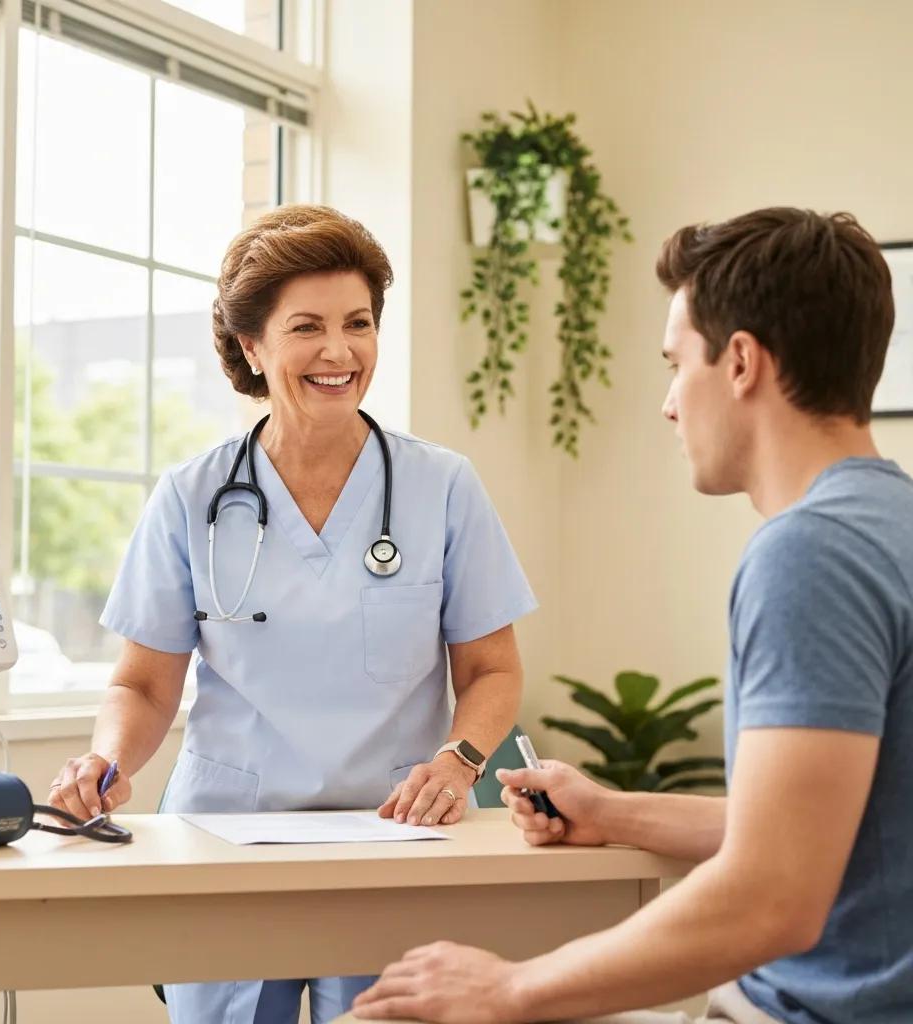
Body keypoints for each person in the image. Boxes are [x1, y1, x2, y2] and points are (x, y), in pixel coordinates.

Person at [351, 207, 913, 1024]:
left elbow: (776, 895)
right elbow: (820, 830)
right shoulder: (891, 521)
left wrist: (510, 988)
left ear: (743, 363)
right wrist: (611, 812)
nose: (668, 405)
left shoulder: (811, 554)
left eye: (676, 364)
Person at [47, 204, 537, 1024]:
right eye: (306, 326)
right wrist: (106, 762)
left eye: (360, 323)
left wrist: (458, 762)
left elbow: (491, 669)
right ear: (252, 346)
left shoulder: (442, 487)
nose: (339, 351)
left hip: (392, 838)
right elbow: (143, 684)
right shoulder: (192, 496)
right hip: (226, 841)